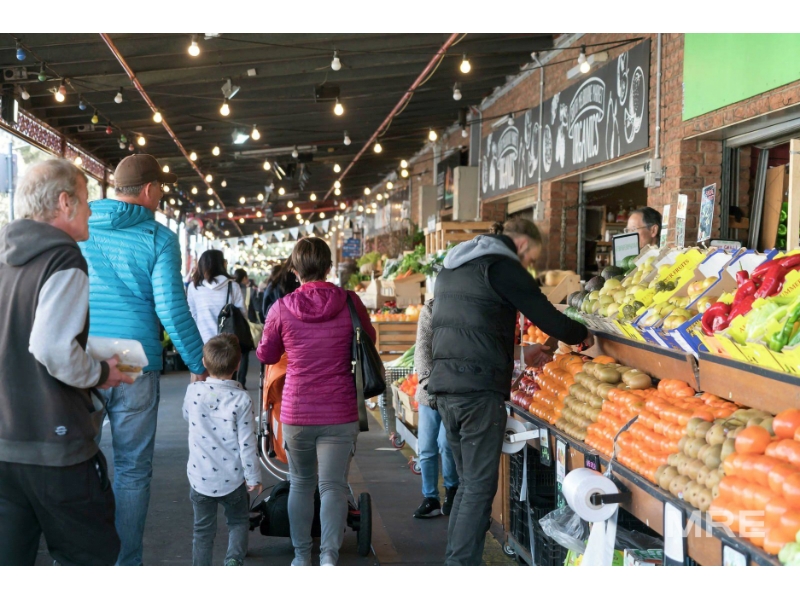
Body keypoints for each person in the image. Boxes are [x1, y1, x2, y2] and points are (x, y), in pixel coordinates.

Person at [427, 217, 594, 566]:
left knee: (466, 485)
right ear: (522, 244)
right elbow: (550, 318)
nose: (529, 265)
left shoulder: (452, 269)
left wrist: (518, 354)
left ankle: (456, 561)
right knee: (478, 488)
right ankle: (460, 568)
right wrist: (582, 333)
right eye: (531, 257)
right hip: (478, 391)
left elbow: (470, 330)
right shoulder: (502, 266)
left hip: (446, 389)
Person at [0, 159, 132, 565]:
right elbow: (51, 348)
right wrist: (100, 371)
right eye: (87, 200)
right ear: (64, 202)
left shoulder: (5, 259)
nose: (91, 210)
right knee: (88, 559)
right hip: (57, 447)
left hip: (6, 445)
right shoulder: (64, 259)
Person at [79, 154, 206, 566]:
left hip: (84, 355)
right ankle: (126, 565)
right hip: (133, 356)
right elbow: (170, 307)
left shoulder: (80, 225)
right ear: (149, 190)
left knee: (76, 460)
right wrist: (198, 363)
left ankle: (79, 560)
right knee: (132, 469)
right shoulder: (158, 237)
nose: (161, 196)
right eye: (161, 190)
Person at [257, 238, 375, 567]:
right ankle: (328, 557)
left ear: (295, 271)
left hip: (297, 411)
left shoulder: (281, 307)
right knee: (333, 486)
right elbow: (369, 339)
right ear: (328, 267)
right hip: (340, 409)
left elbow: (266, 354)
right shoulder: (350, 302)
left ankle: (300, 557)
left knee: (300, 483)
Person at [183, 333, 261, 566]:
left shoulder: (193, 392)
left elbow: (187, 416)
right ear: (238, 365)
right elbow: (247, 443)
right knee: (238, 522)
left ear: (204, 362)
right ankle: (233, 561)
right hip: (233, 479)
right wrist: (253, 477)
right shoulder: (242, 399)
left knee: (202, 530)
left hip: (200, 478)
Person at [413, 298, 459, 519]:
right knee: (427, 446)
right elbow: (422, 348)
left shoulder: (464, 306)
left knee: (447, 443)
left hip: (456, 389)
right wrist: (427, 382)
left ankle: (452, 491)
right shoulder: (431, 308)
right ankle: (430, 497)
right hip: (430, 391)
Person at [186, 250, 247, 345]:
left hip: (203, 341)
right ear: (220, 264)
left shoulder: (193, 287)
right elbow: (242, 314)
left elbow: (192, 315)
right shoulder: (233, 286)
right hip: (228, 342)